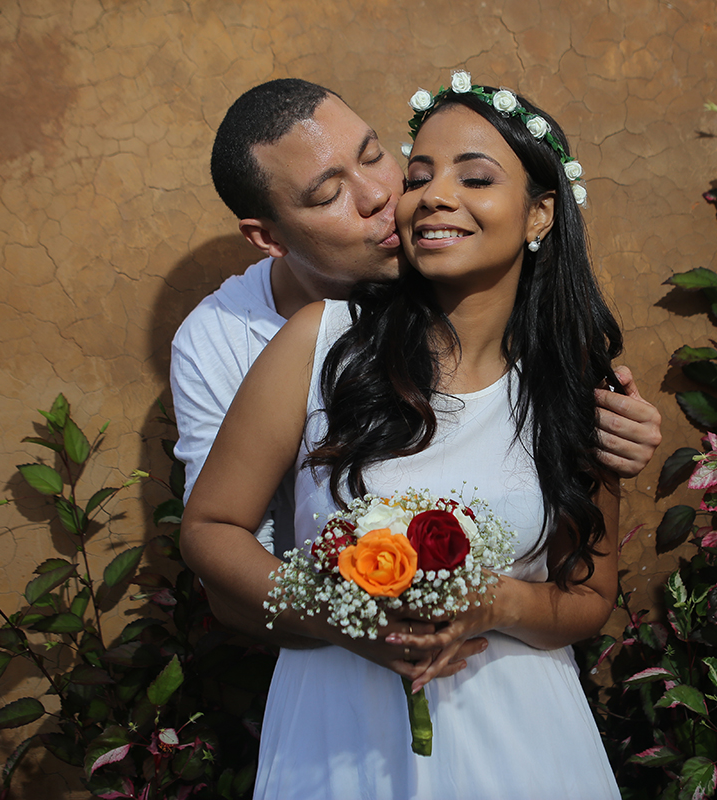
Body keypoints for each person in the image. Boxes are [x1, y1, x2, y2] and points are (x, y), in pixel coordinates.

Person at [183, 74, 624, 799]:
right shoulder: (322, 343)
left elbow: (590, 594)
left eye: (473, 177)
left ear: (540, 214)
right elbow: (210, 529)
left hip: (522, 742)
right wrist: (344, 618)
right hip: (340, 738)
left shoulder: (575, 382)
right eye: (420, 176)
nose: (427, 196)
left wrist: (498, 603)